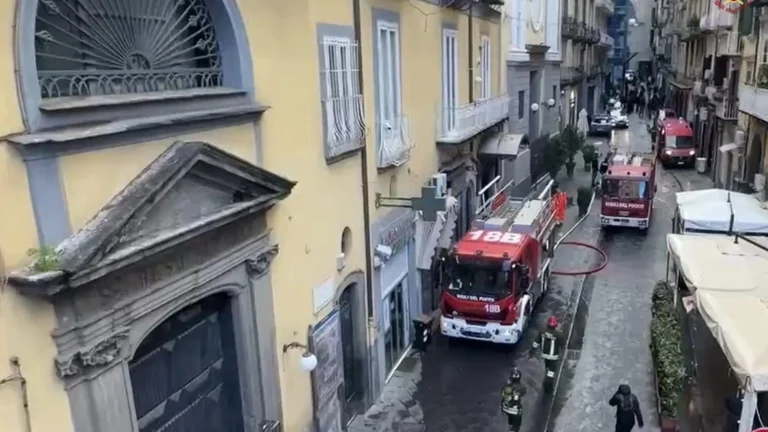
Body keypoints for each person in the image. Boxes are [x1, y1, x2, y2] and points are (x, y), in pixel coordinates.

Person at [501, 367, 527, 431]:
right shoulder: (522, 387)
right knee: (516, 425)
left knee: (511, 419)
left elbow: (503, 394)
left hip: (506, 408)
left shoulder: (507, 386)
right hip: (515, 410)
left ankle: (511, 426)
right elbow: (523, 393)